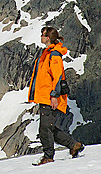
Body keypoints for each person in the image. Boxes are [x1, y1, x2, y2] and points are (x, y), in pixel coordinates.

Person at [28, 26, 84, 165]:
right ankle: (73, 145)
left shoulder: (54, 55)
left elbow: (58, 76)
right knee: (49, 127)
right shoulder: (48, 53)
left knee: (45, 128)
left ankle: (48, 157)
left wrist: (54, 95)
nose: (41, 37)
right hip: (45, 96)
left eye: (43, 35)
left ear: (48, 37)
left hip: (50, 96)